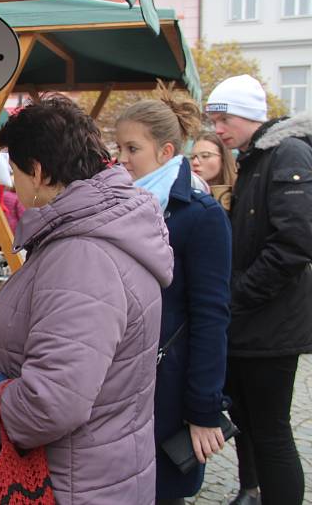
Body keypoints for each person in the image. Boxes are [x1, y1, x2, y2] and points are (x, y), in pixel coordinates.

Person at [0, 95, 174, 504]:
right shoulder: (97, 229)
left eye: (15, 172)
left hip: (73, 485)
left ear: (37, 172)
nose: (13, 183)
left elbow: (48, 406)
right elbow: (74, 325)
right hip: (97, 473)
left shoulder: (83, 254)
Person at [116, 85, 232, 505]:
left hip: (168, 388)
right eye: (119, 147)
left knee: (161, 493)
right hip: (123, 382)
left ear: (165, 152)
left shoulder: (200, 215)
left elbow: (211, 318)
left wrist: (203, 411)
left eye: (133, 148)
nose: (123, 159)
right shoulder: (123, 206)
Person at [205, 75, 312, 505]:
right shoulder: (255, 157)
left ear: (250, 116)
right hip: (252, 323)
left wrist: (236, 295)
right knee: (248, 422)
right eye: (214, 119)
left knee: (271, 431)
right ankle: (250, 493)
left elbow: (295, 243)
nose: (217, 129)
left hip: (271, 324)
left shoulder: (287, 153)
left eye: (224, 118)